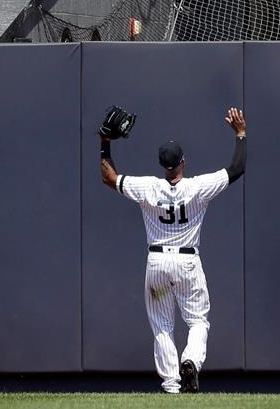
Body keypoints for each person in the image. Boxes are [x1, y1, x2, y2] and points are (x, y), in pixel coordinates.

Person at [99, 107, 247, 393]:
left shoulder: (147, 187)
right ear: (183, 162)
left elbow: (109, 177)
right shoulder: (197, 188)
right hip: (187, 264)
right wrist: (240, 134)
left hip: (157, 266)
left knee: (162, 326)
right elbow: (237, 168)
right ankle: (190, 360)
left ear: (161, 165)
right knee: (197, 321)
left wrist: (104, 144)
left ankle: (170, 385)